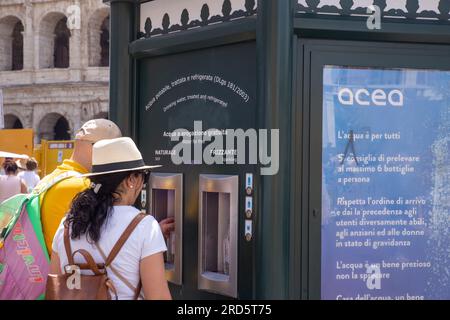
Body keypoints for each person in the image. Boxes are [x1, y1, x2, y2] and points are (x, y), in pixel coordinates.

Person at [49, 137, 172, 300]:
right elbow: (158, 296)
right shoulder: (145, 227)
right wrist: (151, 238)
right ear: (131, 180)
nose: (143, 182)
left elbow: (55, 287)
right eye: (144, 176)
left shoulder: (67, 225)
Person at [38, 119, 122, 253]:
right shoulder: (84, 187)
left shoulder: (49, 179)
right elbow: (106, 242)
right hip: (65, 270)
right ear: (98, 148)